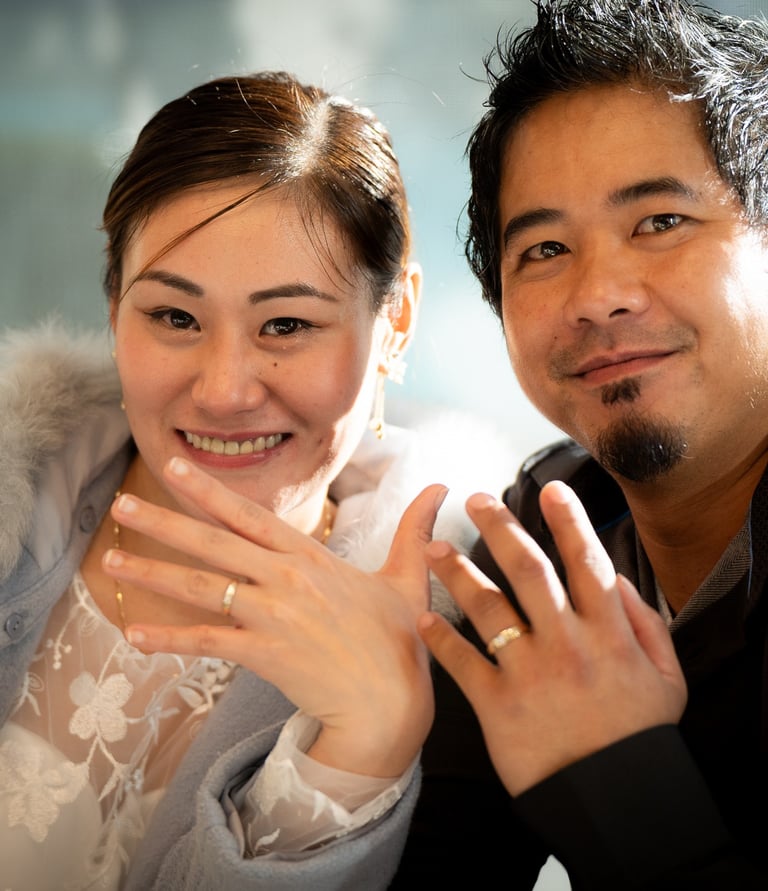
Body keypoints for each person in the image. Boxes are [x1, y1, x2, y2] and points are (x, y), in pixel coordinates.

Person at [0, 70, 503, 890]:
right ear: (114, 305)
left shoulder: (473, 656)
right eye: (175, 317)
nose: (226, 391)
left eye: (287, 324)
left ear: (397, 320)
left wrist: (368, 740)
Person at [416, 0, 768, 888]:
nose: (598, 295)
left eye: (660, 221)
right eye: (544, 249)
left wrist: (624, 784)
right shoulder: (544, 538)